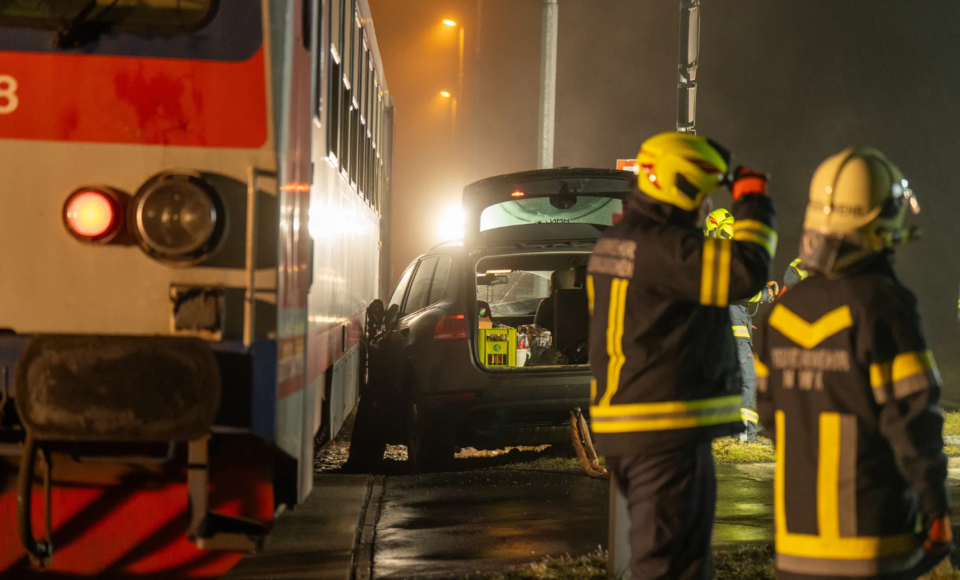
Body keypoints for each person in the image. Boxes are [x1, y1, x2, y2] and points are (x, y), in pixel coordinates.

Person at [754, 148, 951, 579]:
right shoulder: (885, 306)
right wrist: (937, 508)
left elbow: (771, 416)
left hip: (797, 543)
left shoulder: (780, 316)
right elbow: (914, 420)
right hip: (876, 542)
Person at [589, 131, 776, 580]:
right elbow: (745, 271)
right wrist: (754, 203)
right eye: (701, 194)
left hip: (640, 427)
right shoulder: (666, 248)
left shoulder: (621, 240)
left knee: (672, 561)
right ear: (680, 188)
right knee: (670, 567)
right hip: (663, 435)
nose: (707, 208)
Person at [705, 208, 779, 442]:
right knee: (749, 379)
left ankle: (730, 433)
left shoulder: (707, 261)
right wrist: (765, 293)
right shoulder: (719, 260)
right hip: (733, 330)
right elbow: (738, 289)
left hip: (725, 330)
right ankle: (745, 436)